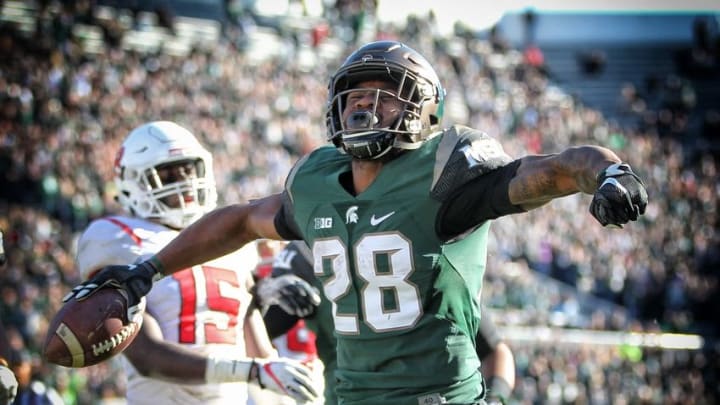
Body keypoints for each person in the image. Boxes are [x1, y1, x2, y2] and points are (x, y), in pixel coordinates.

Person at [65, 41, 648, 405]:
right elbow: (240, 221)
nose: (364, 107)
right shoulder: (317, 179)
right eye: (353, 97)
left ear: (424, 110)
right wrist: (145, 273)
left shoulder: (446, 169)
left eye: (384, 95)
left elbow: (552, 170)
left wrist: (607, 172)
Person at [72, 121, 320, 404]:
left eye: (188, 169)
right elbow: (146, 355)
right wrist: (252, 371)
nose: (184, 182)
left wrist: (279, 385)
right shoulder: (116, 236)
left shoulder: (225, 237)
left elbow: (252, 337)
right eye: (167, 174)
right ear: (132, 181)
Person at [262, 241, 517, 405]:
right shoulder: (307, 252)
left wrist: (495, 399)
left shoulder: (427, 242)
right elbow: (256, 339)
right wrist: (264, 295)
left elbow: (495, 351)